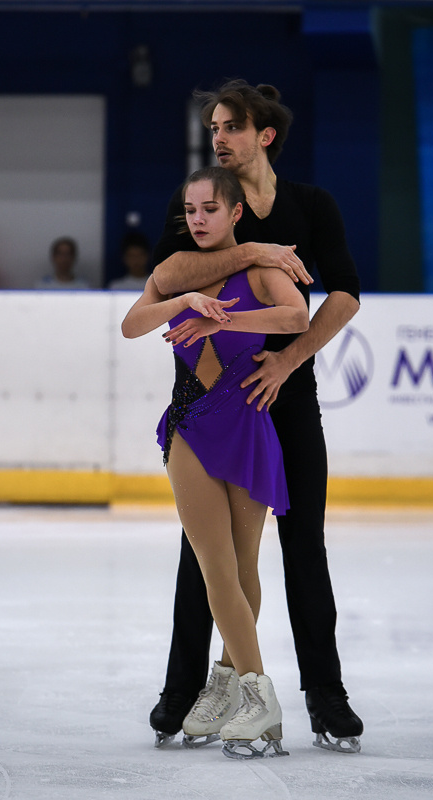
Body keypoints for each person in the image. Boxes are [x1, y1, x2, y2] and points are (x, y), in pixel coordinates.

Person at [149, 79, 364, 754]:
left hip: (286, 399)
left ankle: (325, 698)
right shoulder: (203, 206)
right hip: (213, 400)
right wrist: (253, 252)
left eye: (231, 126)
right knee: (204, 551)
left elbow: (345, 295)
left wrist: (290, 359)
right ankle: (187, 692)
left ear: (264, 135)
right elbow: (172, 272)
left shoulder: (310, 206)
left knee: (303, 546)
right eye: (214, 126)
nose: (219, 136)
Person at [122, 166, 309, 758]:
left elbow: (296, 318)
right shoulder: (176, 272)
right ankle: (261, 695)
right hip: (190, 427)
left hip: (247, 422)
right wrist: (184, 302)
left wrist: (221, 317)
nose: (198, 219)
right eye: (191, 210)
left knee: (245, 567)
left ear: (236, 214)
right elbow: (131, 325)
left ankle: (229, 683)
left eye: (210, 209)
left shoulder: (263, 270)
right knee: (215, 565)